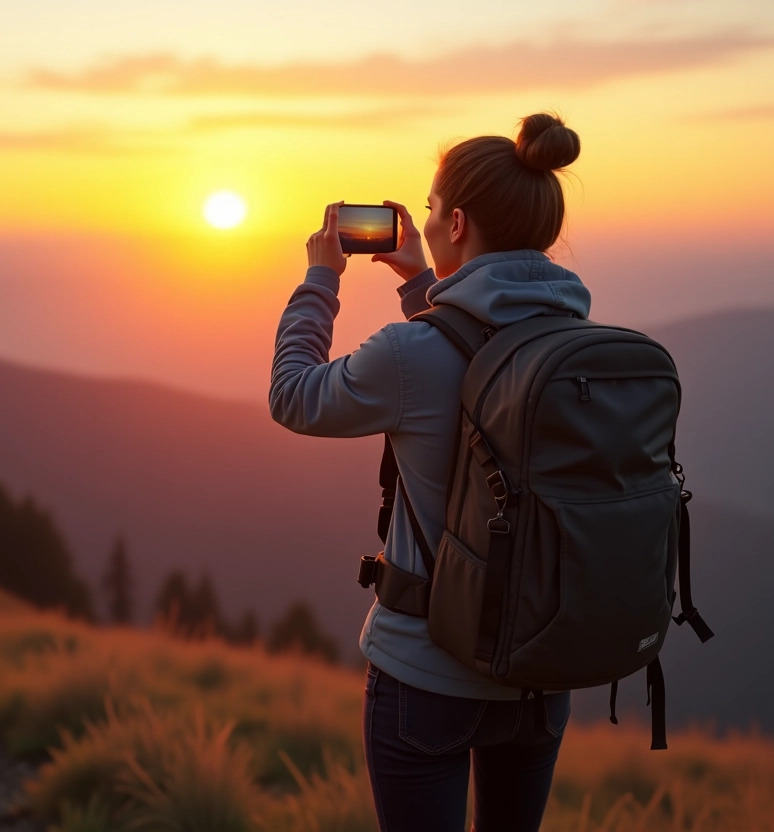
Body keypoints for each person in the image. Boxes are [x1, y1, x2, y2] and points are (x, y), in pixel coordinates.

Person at [269, 112, 586, 832]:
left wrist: (321, 280)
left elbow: (293, 396)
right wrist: (422, 282)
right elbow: (467, 359)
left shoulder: (408, 355)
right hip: (540, 676)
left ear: (459, 222)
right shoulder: (569, 342)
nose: (427, 219)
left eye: (433, 207)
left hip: (427, 677)